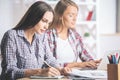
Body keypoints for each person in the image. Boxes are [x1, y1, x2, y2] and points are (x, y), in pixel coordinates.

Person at [0, 1, 70, 80]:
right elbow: (9, 71)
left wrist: (60, 69)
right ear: (33, 17)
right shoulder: (11, 36)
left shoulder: (42, 37)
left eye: (49, 23)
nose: (46, 27)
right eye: (44, 21)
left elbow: (49, 59)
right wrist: (39, 72)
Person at [44, 0, 101, 69]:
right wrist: (76, 65)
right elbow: (48, 63)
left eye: (76, 15)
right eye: (71, 15)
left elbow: (85, 55)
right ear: (60, 16)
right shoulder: (47, 35)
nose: (75, 19)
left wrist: (93, 62)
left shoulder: (75, 36)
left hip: (73, 75)